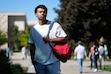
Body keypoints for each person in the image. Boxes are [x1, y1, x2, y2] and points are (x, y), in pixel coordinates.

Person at [28, 4, 67, 74]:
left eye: (44, 12)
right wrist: (33, 60)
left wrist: (50, 40)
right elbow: (32, 46)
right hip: (39, 62)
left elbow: (64, 39)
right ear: (36, 14)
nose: (42, 13)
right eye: (40, 12)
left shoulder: (54, 25)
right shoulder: (33, 30)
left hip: (53, 61)